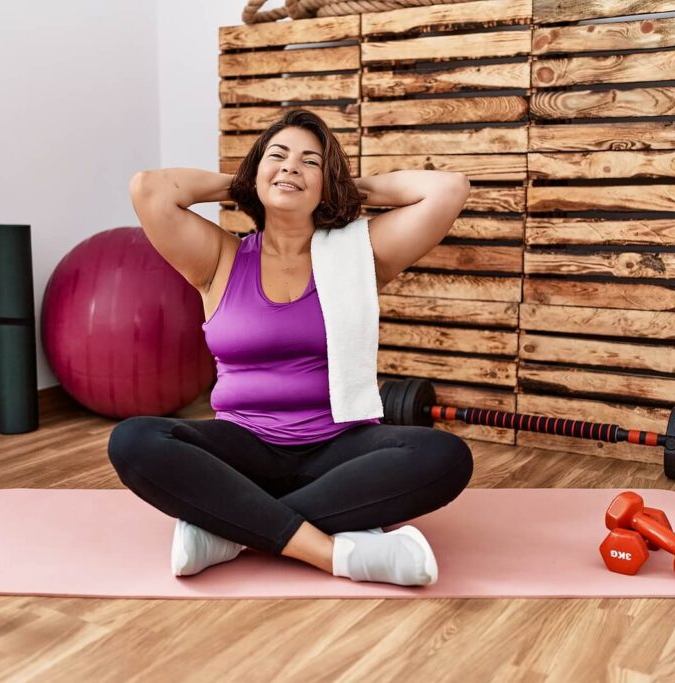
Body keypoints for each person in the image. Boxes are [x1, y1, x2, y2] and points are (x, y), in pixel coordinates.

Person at [108, 108, 473, 587]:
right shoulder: (220, 257)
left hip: (339, 450)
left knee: (445, 457)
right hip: (242, 449)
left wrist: (338, 187)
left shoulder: (359, 255)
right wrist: (250, 182)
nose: (290, 167)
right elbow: (149, 188)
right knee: (133, 441)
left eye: (309, 162)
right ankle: (332, 552)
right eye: (277, 156)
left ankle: (230, 530)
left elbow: (448, 189)